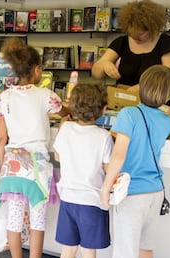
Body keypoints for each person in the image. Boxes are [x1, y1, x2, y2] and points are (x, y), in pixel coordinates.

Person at [100, 65, 170, 258]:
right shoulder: (166, 121)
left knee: (125, 252)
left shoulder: (128, 114)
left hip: (131, 195)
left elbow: (118, 155)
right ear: (167, 95)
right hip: (155, 193)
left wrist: (105, 188)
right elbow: (168, 119)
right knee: (145, 249)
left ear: (140, 87)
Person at [0, 38, 69, 258]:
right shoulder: (46, 95)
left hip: (12, 167)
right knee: (38, 220)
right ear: (37, 70)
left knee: (14, 220)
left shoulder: (4, 97)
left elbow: (1, 139)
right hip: (37, 168)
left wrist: (1, 168)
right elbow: (64, 112)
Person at [91, 0, 170, 115]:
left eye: (140, 35)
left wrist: (143, 87)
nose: (136, 38)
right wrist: (105, 64)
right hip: (124, 105)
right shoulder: (121, 42)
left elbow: (169, 81)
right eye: (132, 34)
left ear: (152, 28)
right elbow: (96, 74)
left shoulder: (167, 44)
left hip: (155, 108)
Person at [53, 83, 113, 258]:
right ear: (103, 109)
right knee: (88, 250)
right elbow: (109, 168)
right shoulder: (104, 137)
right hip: (92, 200)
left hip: (68, 198)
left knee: (68, 248)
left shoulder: (66, 129)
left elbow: (57, 157)